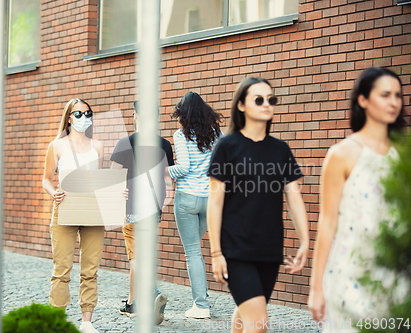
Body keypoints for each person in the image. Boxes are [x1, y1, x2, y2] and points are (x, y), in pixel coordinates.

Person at [207, 77, 309, 333]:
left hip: (269, 248)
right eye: (259, 99)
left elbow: (294, 196)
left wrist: (305, 241)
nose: (267, 104)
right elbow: (215, 201)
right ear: (241, 105)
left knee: (246, 313)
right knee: (259, 323)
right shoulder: (227, 147)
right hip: (235, 248)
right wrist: (216, 252)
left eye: (271, 99)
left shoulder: (280, 150)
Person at [308, 67, 405, 332]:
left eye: (398, 95)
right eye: (385, 94)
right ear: (363, 100)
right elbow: (327, 222)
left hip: (395, 275)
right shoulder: (342, 154)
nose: (394, 101)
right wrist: (316, 288)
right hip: (349, 274)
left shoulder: (404, 154)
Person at [42, 98, 105, 333]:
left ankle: (87, 322)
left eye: (87, 113)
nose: (83, 118)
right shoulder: (56, 146)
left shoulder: (97, 146)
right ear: (69, 117)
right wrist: (53, 192)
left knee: (90, 269)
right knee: (62, 268)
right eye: (78, 114)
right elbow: (46, 179)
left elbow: (100, 182)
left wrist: (117, 192)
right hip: (65, 207)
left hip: (92, 209)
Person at [110, 101, 174, 324]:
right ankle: (132, 304)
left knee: (135, 257)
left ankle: (152, 293)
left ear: (135, 115)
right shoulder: (165, 144)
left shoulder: (125, 143)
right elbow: (167, 179)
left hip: (133, 208)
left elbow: (112, 178)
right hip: (154, 209)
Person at [167, 92, 223, 319]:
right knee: (196, 249)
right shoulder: (217, 134)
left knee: (192, 251)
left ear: (183, 113)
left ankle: (200, 306)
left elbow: (184, 167)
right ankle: (202, 297)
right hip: (210, 199)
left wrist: (163, 170)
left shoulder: (181, 135)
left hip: (188, 199)